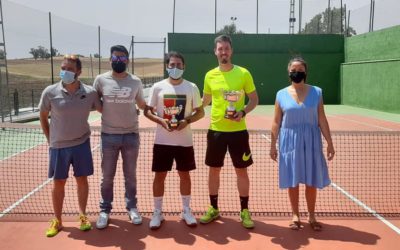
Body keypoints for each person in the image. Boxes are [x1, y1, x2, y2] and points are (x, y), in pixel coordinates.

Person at [39, 54, 102, 237]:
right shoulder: (50, 92)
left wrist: (128, 107)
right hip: (58, 147)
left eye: (70, 69)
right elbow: (43, 116)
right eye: (63, 68)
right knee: (58, 183)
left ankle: (82, 215)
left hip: (82, 143)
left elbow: (104, 108)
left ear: (79, 72)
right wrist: (50, 140)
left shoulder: (90, 92)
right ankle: (57, 220)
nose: (65, 72)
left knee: (82, 180)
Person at [270, 57, 335, 231]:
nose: (296, 72)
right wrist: (272, 144)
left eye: (299, 69)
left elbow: (321, 118)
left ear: (305, 72)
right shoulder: (281, 94)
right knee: (293, 180)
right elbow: (276, 121)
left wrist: (329, 141)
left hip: (311, 141)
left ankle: (312, 216)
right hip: (289, 142)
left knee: (311, 180)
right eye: (293, 69)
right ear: (288, 72)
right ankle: (295, 215)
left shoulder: (317, 92)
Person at [200, 35, 259, 229]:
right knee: (214, 170)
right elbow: (205, 101)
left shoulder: (244, 73)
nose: (223, 52)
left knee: (241, 170)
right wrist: (186, 108)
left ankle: (244, 210)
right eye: (220, 49)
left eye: (226, 48)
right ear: (215, 52)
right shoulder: (209, 75)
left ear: (231, 51)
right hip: (216, 130)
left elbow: (254, 100)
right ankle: (214, 208)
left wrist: (241, 112)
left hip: (238, 131)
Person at [144, 51, 204, 229]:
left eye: (179, 65)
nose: (175, 68)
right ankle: (157, 212)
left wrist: (187, 121)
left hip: (184, 142)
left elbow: (200, 112)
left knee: (184, 176)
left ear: (183, 67)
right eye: (172, 65)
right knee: (159, 176)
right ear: (166, 67)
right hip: (162, 141)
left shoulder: (191, 87)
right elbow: (147, 111)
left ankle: (186, 210)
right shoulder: (157, 87)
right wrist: (161, 121)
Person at [93, 45, 147, 229]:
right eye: (115, 58)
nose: (119, 61)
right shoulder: (101, 80)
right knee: (107, 177)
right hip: (109, 136)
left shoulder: (135, 82)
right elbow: (95, 101)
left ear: (128, 61)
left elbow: (141, 103)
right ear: (110, 60)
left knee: (130, 176)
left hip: (131, 136)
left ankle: (132, 207)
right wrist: (108, 112)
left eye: (122, 58)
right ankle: (105, 210)